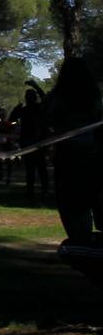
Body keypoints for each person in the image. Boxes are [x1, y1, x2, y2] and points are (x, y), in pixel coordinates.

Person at [47, 60, 103, 240]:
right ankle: (83, 240)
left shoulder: (59, 96)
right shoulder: (93, 95)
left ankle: (80, 239)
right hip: (87, 153)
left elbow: (48, 119)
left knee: (72, 201)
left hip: (72, 155)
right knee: (86, 198)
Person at [9, 84, 50, 199]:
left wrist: (15, 109)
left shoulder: (31, 109)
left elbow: (11, 119)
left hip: (35, 141)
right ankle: (37, 190)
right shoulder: (31, 109)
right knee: (36, 168)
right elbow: (11, 120)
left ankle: (35, 191)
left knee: (35, 168)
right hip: (33, 141)